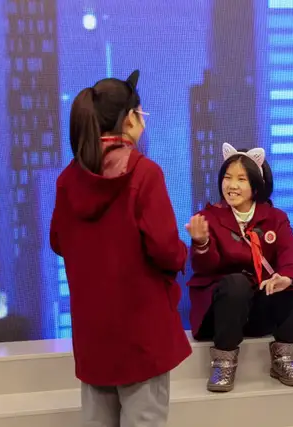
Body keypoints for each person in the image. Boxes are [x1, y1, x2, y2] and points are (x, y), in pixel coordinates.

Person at [49, 70, 191, 427]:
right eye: (141, 113)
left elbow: (57, 242)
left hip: (93, 335)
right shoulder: (144, 174)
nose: (144, 120)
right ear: (128, 119)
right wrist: (184, 252)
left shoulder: (68, 179)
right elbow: (165, 249)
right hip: (141, 333)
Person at [186, 142, 293, 392]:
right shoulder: (210, 218)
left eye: (241, 179)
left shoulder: (275, 218)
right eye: (227, 178)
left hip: (256, 312)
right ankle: (223, 362)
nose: (232, 185)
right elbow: (204, 267)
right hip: (220, 314)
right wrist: (201, 243)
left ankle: (284, 358)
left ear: (256, 185)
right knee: (236, 283)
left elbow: (292, 251)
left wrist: (286, 277)